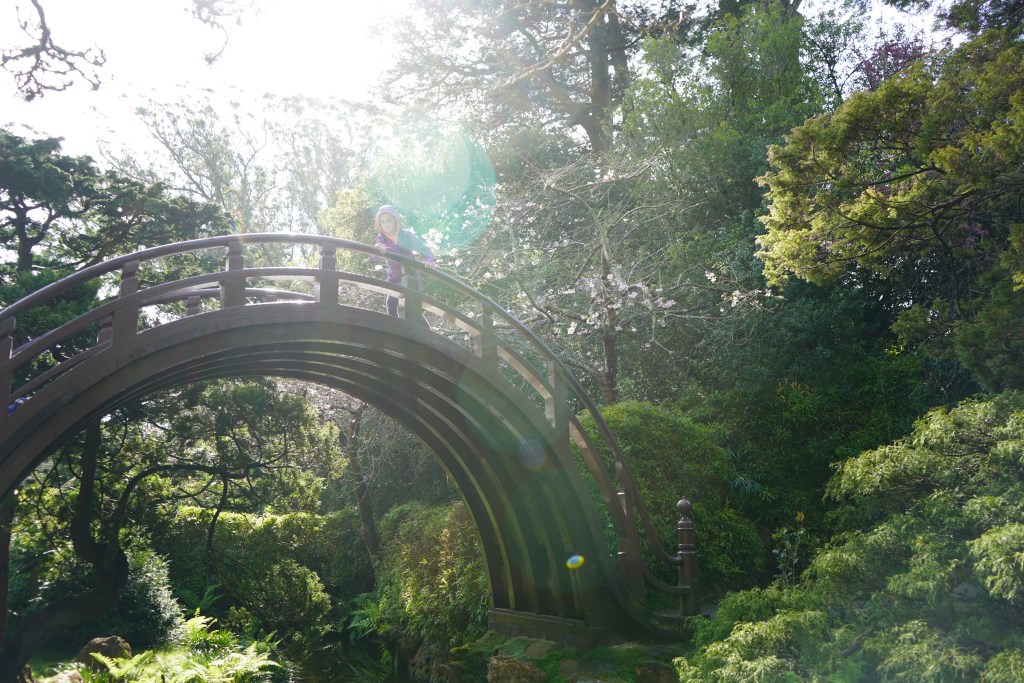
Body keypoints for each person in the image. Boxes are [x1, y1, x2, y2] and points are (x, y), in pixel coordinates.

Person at [374, 204, 435, 326]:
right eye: (383, 222)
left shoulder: (406, 235)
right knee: (391, 303)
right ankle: (395, 327)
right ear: (379, 225)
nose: (386, 224)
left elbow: (423, 248)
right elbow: (374, 254)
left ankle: (427, 331)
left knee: (413, 309)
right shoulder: (382, 239)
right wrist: (378, 248)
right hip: (394, 278)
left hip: (410, 278)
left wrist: (429, 259)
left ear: (396, 220)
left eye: (389, 220)